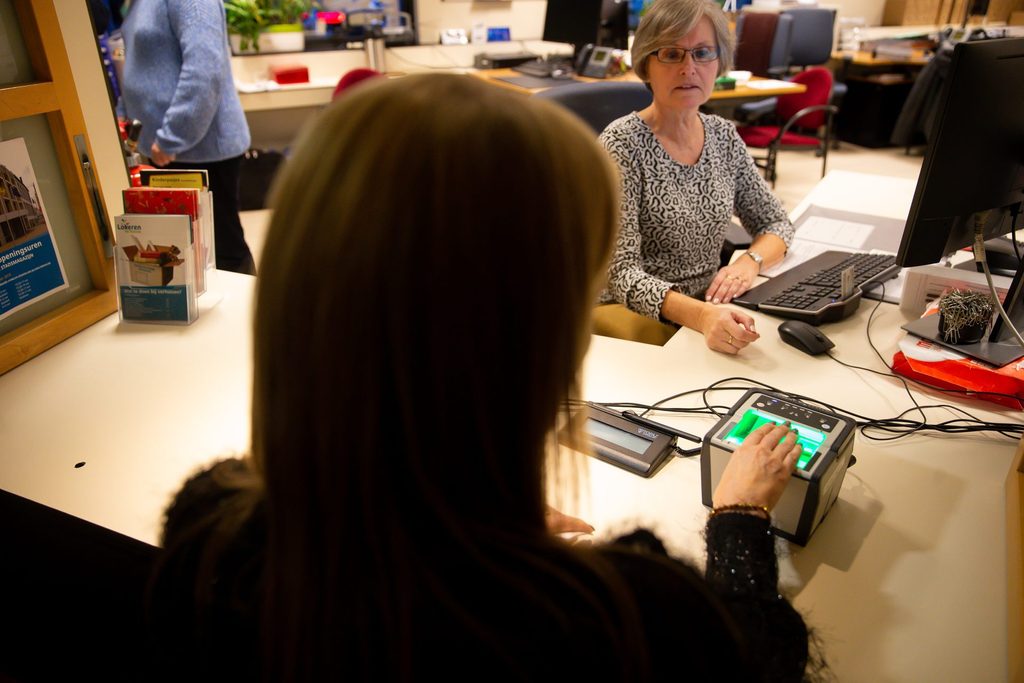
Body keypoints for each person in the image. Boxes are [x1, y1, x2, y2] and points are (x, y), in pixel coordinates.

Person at [147, 73, 814, 681]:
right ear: (543, 338)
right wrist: (738, 520)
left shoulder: (212, 527)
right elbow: (757, 662)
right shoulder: (613, 618)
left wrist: (449, 512)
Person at [597, 0, 795, 353]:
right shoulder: (621, 144)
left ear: (720, 62)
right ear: (646, 63)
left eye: (703, 53)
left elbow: (776, 223)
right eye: (672, 54)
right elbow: (621, 273)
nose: (690, 68)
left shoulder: (722, 135)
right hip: (628, 313)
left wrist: (750, 263)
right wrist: (702, 316)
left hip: (706, 308)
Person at [120, 0, 256, 274]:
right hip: (164, 150)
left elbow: (204, 70)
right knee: (184, 255)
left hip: (199, 151)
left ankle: (252, 316)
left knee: (223, 252)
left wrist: (172, 136)